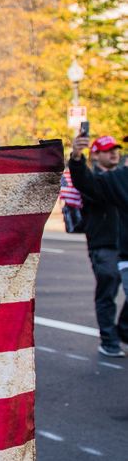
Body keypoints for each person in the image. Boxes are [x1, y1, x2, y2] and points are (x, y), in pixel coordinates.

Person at [68, 134, 128, 357]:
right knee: (108, 288)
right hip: (104, 245)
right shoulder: (97, 180)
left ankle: (123, 330)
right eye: (107, 149)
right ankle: (109, 340)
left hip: (123, 246)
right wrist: (76, 157)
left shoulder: (121, 177)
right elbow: (83, 181)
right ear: (95, 154)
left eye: (116, 149)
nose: (114, 153)